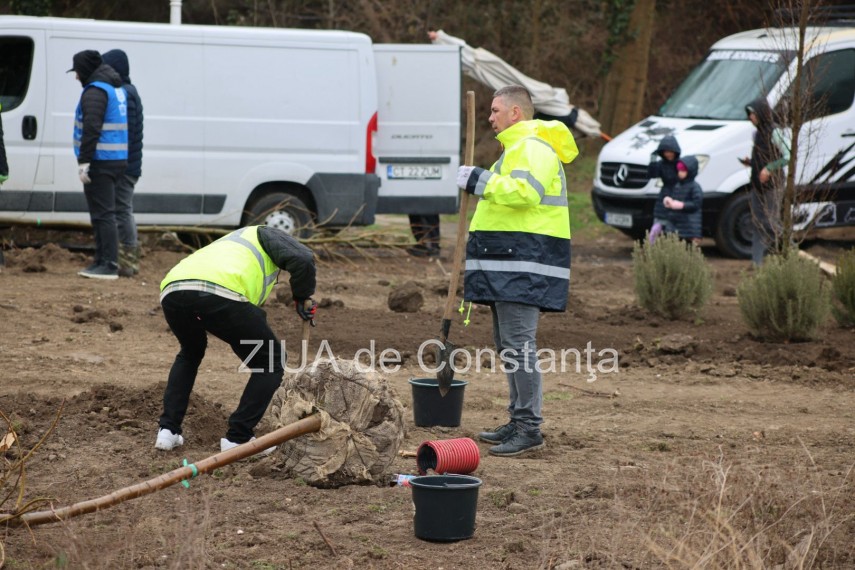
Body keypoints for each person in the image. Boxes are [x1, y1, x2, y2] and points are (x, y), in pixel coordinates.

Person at [456, 85, 578, 457]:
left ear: (515, 113)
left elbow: (525, 193)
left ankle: (529, 428)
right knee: (509, 345)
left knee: (519, 346)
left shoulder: (533, 148)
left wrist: (479, 180)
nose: (490, 117)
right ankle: (518, 418)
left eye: (495, 110)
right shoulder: (515, 150)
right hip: (509, 265)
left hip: (523, 266)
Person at [155, 225, 317, 454]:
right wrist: (302, 296)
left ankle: (168, 431)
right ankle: (238, 437)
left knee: (190, 353)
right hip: (218, 292)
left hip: (173, 291)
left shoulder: (231, 244)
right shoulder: (264, 233)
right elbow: (303, 257)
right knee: (270, 361)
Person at [69, 50, 128, 280]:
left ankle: (109, 264)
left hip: (101, 161)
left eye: (77, 72)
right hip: (113, 159)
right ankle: (101, 260)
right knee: (102, 214)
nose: (76, 77)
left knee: (103, 214)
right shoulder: (113, 87)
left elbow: (91, 128)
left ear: (84, 70)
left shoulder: (95, 91)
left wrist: (84, 161)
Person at [102, 49, 143, 278]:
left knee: (122, 211)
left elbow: (123, 133)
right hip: (128, 164)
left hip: (125, 166)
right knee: (121, 211)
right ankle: (125, 260)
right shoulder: (127, 92)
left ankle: (128, 261)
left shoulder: (125, 94)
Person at [740, 97, 791, 265]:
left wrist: (769, 168)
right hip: (757, 186)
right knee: (757, 225)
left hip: (773, 186)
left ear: (761, 113)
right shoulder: (757, 133)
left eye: (752, 114)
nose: (750, 117)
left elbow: (788, 155)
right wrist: (751, 162)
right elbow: (763, 155)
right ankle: (757, 264)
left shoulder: (774, 132)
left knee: (770, 223)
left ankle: (791, 251)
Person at [651, 157, 703, 246]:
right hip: (675, 222)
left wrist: (680, 205)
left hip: (689, 224)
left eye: (683, 171)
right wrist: (669, 201)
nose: (680, 173)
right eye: (679, 170)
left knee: (687, 247)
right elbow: (674, 198)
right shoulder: (678, 185)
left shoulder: (695, 187)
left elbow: (696, 204)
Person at [647, 134, 681, 242]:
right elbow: (652, 175)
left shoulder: (680, 164)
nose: (668, 154)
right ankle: (652, 246)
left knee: (673, 228)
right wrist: (652, 161)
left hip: (678, 195)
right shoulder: (661, 164)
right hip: (664, 195)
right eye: (666, 152)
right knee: (658, 224)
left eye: (671, 152)